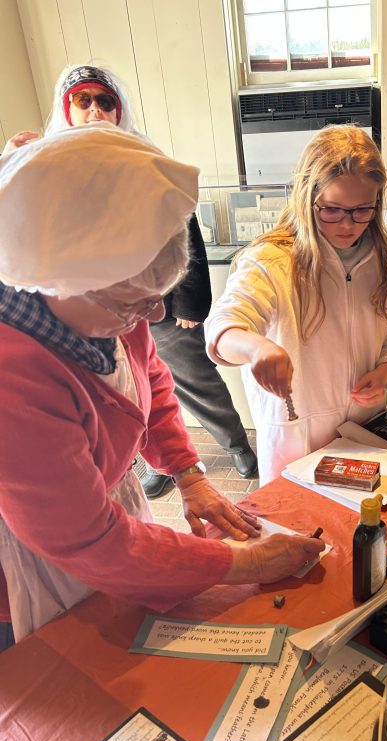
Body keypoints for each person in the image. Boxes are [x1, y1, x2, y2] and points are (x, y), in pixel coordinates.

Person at [0, 125, 324, 648]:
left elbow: (149, 381)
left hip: (106, 528)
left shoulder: (107, 311)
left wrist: (188, 475)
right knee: (63, 670)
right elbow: (90, 541)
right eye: (134, 303)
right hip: (29, 563)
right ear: (58, 281)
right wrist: (245, 563)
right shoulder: (12, 376)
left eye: (159, 297)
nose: (154, 316)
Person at [41, 64, 257, 499]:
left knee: (194, 381)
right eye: (83, 100)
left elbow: (185, 234)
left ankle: (237, 445)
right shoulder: (49, 169)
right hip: (90, 315)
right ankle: (153, 463)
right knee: (125, 395)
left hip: (160, 305)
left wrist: (190, 304)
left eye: (104, 101)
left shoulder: (145, 159)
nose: (95, 110)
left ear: (118, 108)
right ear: (68, 108)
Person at [205, 125, 387, 483]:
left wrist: (385, 372)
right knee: (299, 517)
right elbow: (224, 325)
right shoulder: (272, 260)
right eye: (332, 209)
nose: (348, 225)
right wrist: (256, 347)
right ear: (307, 197)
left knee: (365, 516)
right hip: (296, 438)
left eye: (362, 210)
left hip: (363, 431)